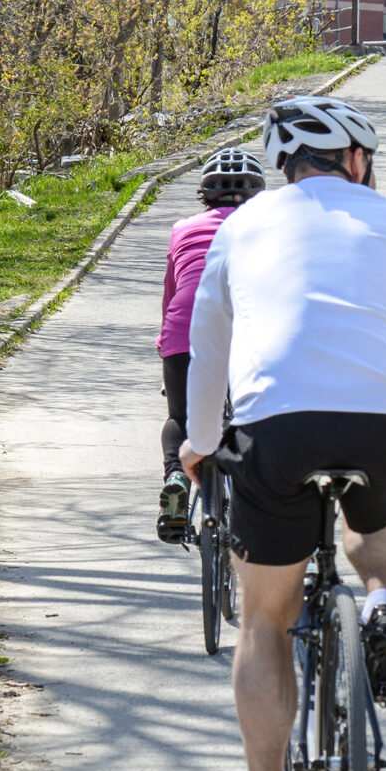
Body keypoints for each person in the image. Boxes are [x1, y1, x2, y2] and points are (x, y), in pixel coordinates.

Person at [179, 96, 386, 771]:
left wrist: (198, 446)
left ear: (283, 164)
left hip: (277, 426)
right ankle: (385, 605)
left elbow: (207, 350)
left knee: (265, 620)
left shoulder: (239, 227)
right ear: (356, 161)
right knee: (383, 517)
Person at [155, 149, 266, 543]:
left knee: (182, 418)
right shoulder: (269, 227)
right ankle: (262, 499)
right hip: (251, 331)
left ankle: (176, 479)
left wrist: (166, 345)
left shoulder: (183, 228)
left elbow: (173, 296)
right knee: (257, 418)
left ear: (205, 194)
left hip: (184, 331)